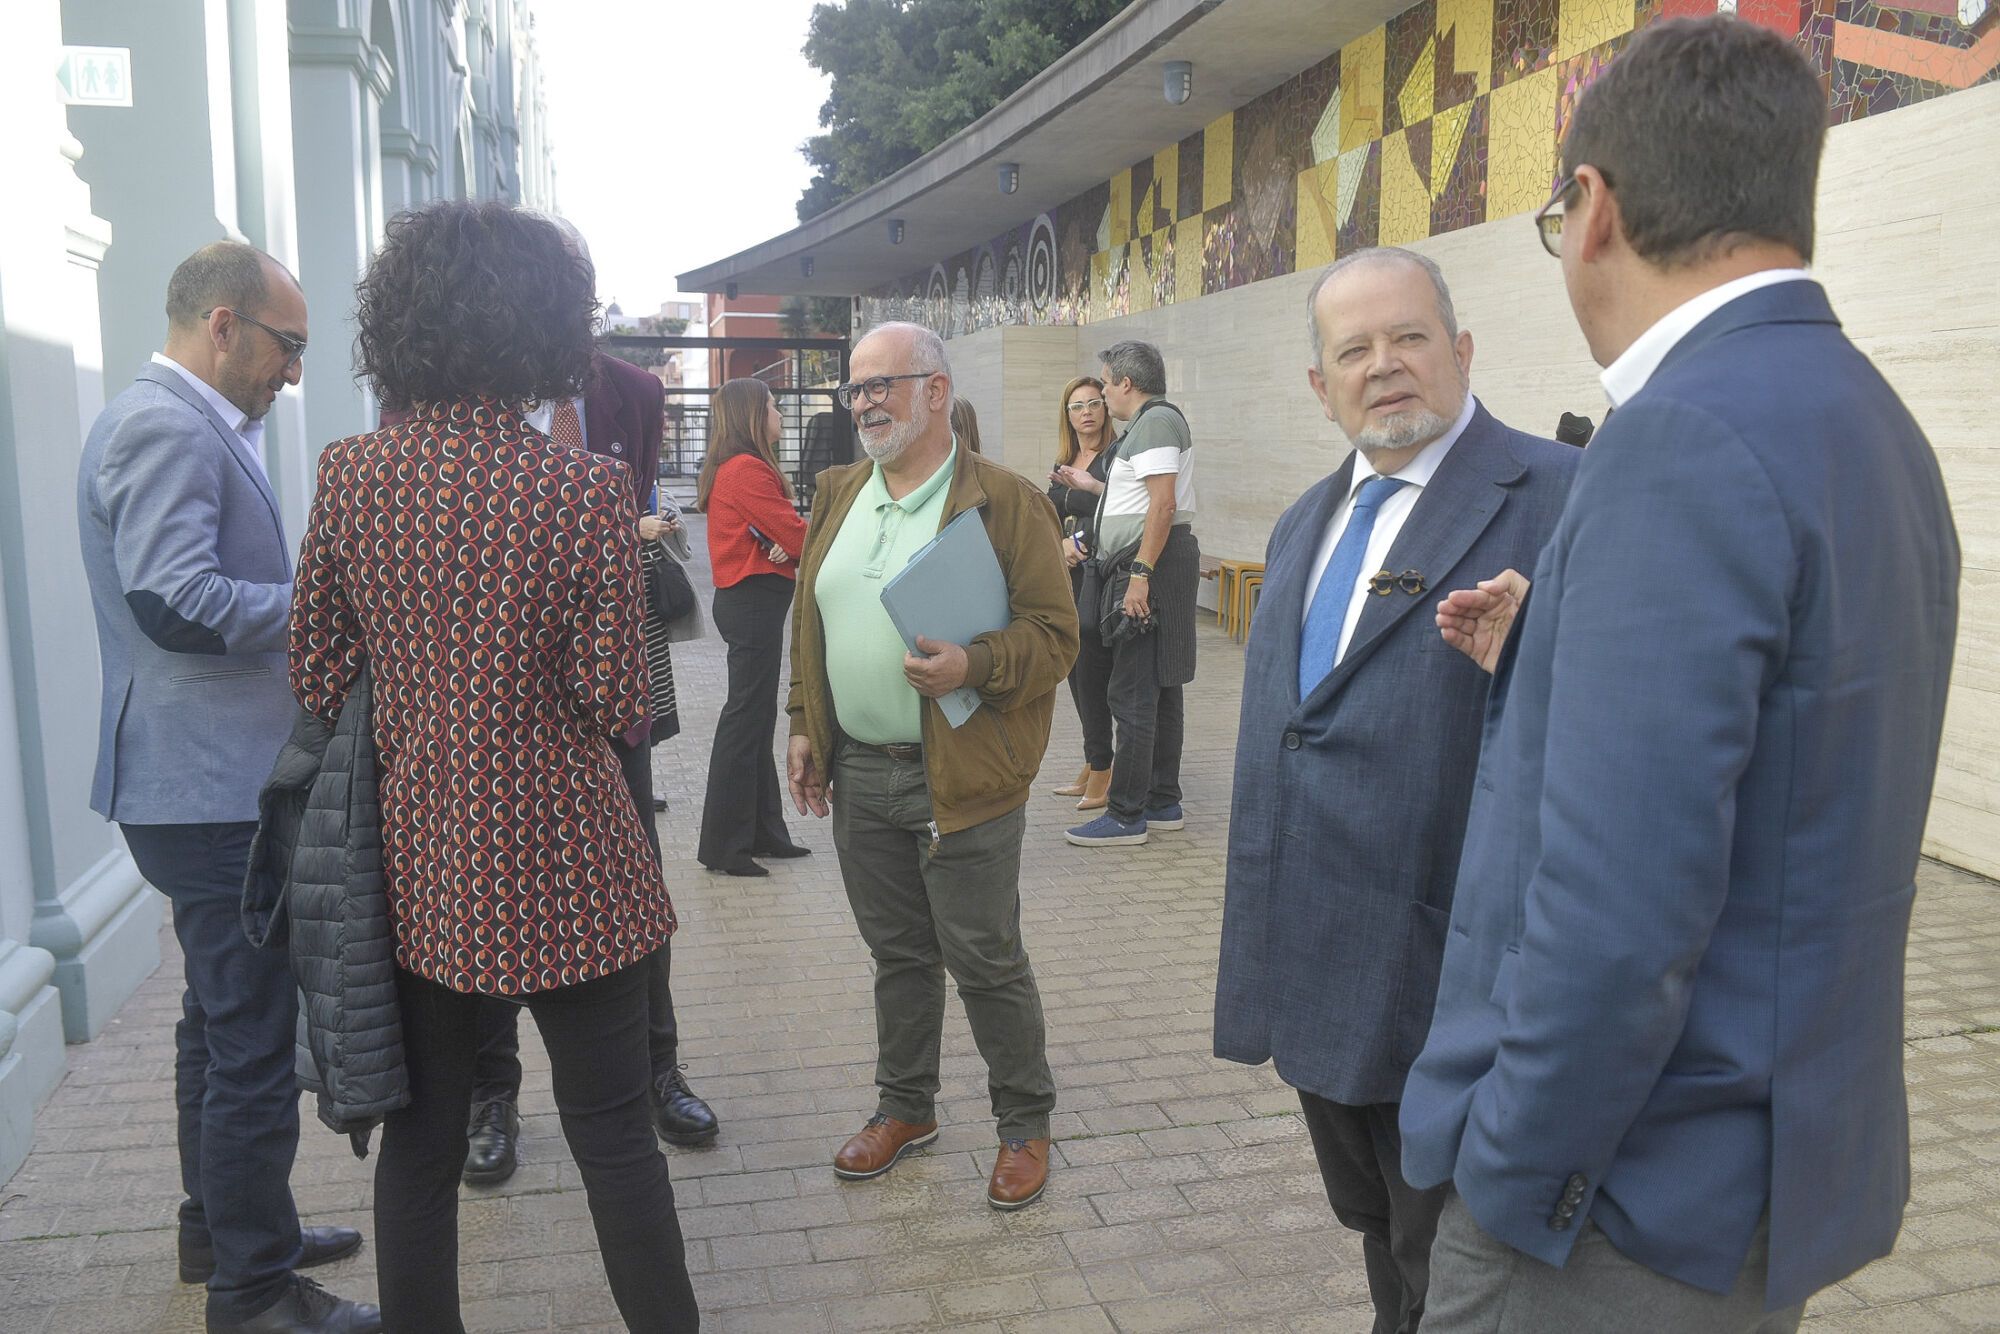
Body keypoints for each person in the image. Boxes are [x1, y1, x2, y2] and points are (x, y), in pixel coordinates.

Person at [1400, 19, 1960, 1332]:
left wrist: (1512, 1172)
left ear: (1591, 210)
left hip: (1621, 1207)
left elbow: (1618, 922)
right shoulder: (1869, 421)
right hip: (1767, 1167)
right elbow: (1795, 759)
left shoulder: (1679, 439)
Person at [290, 199, 699, 1333]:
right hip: (574, 865)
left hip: (421, 868)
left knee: (419, 1150)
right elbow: (619, 699)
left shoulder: (352, 475)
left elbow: (317, 672)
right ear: (542, 330)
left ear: (403, 324)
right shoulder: (579, 491)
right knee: (614, 1136)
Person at [1213, 248, 1578, 1334]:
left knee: (1452, 1265)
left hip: (1451, 988)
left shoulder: (1560, 500)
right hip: (1314, 973)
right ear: (1319, 385)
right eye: (1352, 349)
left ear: (1460, 350)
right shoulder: (1298, 525)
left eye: (1408, 337)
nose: (1384, 367)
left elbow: (1627, 733)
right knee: (1381, 1239)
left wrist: (1537, 653)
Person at [76, 241, 378, 1334]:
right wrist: (325, 602)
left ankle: (224, 1227)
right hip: (208, 793)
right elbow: (175, 600)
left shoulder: (172, 418)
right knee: (251, 1036)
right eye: (285, 345)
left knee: (216, 1019)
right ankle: (254, 1290)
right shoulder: (165, 422)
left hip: (190, 786)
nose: (291, 372)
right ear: (221, 323)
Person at [382, 337, 719, 1180]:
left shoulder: (632, 392)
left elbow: (633, 512)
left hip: (608, 696)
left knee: (636, 885)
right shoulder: (432, 386)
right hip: (472, 717)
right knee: (478, 900)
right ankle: (492, 1095)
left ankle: (656, 1066)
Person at [785, 322, 1076, 1210]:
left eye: (885, 383)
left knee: (984, 958)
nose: (866, 400)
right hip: (862, 776)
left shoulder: (1005, 501)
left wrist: (973, 667)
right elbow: (812, 621)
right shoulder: (840, 492)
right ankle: (905, 1109)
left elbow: (1056, 638)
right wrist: (804, 721)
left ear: (938, 391)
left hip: (964, 774)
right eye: (857, 388)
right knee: (899, 956)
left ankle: (1024, 1124)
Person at [1066, 340, 1200, 848]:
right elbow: (1143, 497)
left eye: (1104, 382)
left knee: (1134, 691)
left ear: (1126, 383)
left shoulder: (1158, 421)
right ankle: (1163, 801)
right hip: (1144, 565)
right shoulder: (1146, 428)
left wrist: (1140, 573)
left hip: (1147, 570)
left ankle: (1127, 815)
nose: (1101, 392)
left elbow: (1163, 506)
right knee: (1160, 687)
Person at [696, 377, 811, 876]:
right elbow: (796, 531)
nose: (780, 415)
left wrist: (782, 539)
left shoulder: (743, 468)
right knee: (745, 720)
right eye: (773, 406)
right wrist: (791, 537)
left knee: (758, 717)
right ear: (752, 415)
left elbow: (782, 532)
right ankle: (726, 846)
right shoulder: (745, 469)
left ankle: (764, 833)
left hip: (752, 600)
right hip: (750, 602)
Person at [1045, 375, 1115, 812]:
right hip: (1067, 575)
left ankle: (1105, 767)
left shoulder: (1114, 458)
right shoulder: (1065, 457)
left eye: (1093, 403)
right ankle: (1094, 760)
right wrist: (1057, 545)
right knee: (1074, 665)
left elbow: (1121, 510)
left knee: (1092, 669)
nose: (1086, 412)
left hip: (1099, 571)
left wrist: (1079, 542)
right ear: (1067, 415)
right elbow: (1048, 513)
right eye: (1077, 406)